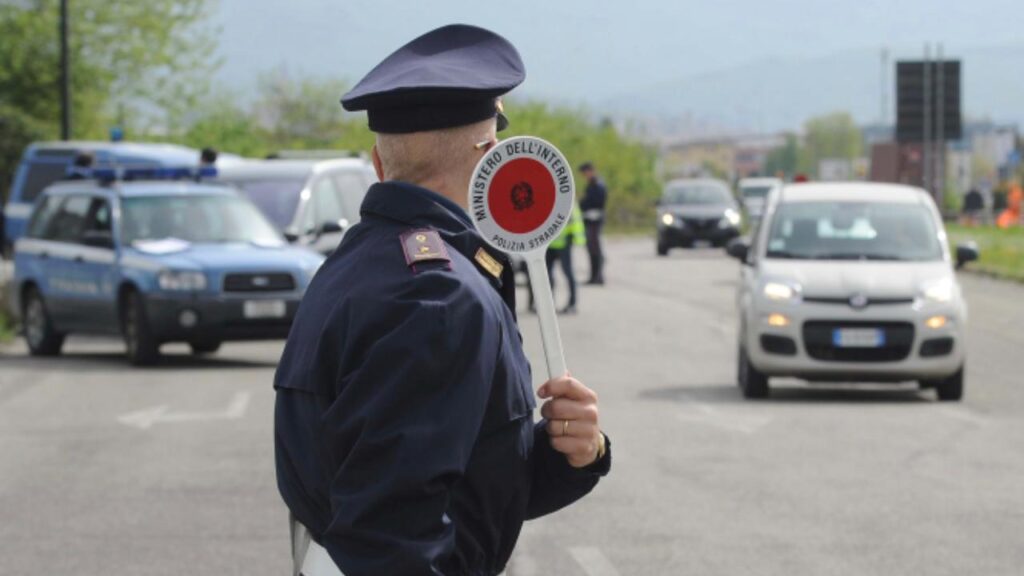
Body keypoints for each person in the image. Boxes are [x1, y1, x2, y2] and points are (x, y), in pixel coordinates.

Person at [274, 24, 611, 576]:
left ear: (379, 164)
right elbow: (392, 534)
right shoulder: (439, 296)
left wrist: (571, 453)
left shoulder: (350, 266)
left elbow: (450, 477)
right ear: (491, 158)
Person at [528, 205, 584, 315]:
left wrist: (577, 239)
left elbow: (575, 222)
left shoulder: (569, 202)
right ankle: (549, 304)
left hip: (563, 244)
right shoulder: (549, 200)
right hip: (549, 244)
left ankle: (572, 304)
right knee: (547, 275)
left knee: (568, 274)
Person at [578, 162, 607, 285]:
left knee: (595, 249)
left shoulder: (597, 184)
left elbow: (596, 202)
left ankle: (598, 277)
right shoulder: (592, 184)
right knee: (592, 249)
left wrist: (583, 204)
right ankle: (594, 276)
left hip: (594, 220)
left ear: (590, 171)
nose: (585, 176)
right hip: (589, 219)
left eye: (585, 173)